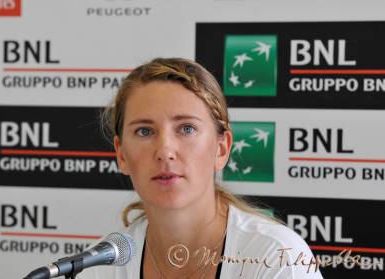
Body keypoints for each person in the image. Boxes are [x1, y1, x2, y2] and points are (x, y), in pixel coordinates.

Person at [80, 58, 324, 279]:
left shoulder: (276, 257)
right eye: (144, 131)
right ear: (121, 154)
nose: (165, 151)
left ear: (221, 149)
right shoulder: (101, 266)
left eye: (187, 129)